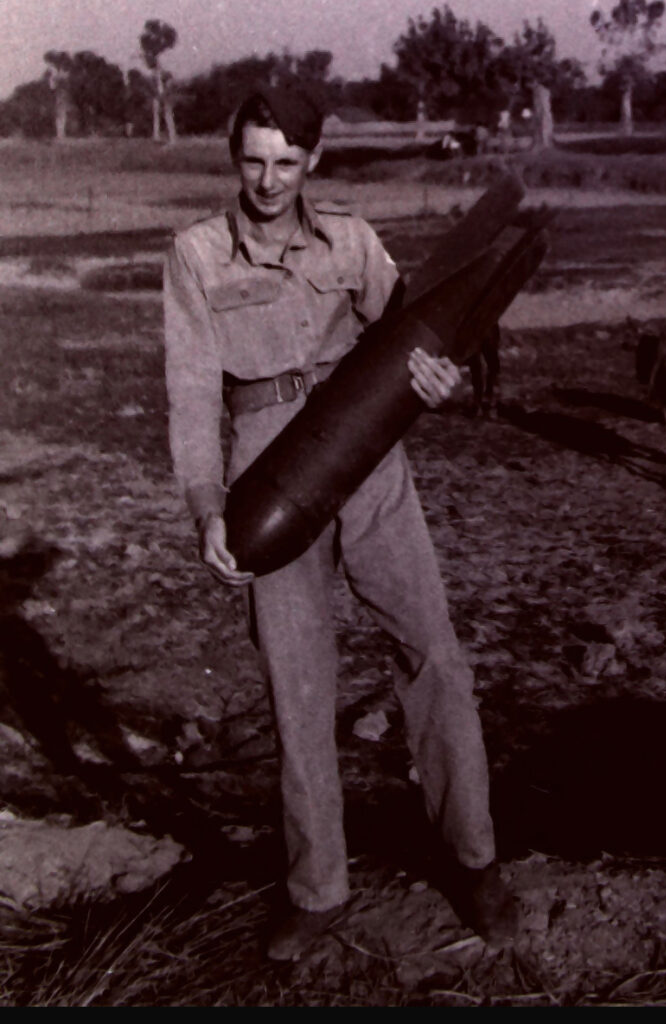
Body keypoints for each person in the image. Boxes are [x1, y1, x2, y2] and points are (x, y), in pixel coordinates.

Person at [163, 82, 517, 962]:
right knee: (299, 685)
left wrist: (446, 378)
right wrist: (207, 506)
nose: (270, 179)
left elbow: (428, 334)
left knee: (434, 653)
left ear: (313, 159)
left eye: (288, 160)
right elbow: (188, 395)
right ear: (232, 157)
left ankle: (473, 859)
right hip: (264, 472)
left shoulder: (354, 241)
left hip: (368, 458)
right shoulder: (197, 254)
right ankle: (318, 890)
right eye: (253, 159)